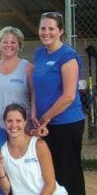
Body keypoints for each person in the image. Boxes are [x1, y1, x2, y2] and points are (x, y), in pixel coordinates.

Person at [33, 12, 85, 195]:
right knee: (49, 173)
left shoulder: (67, 56)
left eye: (51, 29)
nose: (46, 32)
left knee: (68, 174)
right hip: (44, 124)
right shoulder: (39, 53)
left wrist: (45, 117)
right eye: (43, 28)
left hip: (66, 123)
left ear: (61, 31)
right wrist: (34, 113)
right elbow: (35, 88)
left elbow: (69, 96)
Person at [0, 103, 67, 195]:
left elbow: (50, 185)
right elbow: (6, 190)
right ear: (4, 123)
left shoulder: (38, 145)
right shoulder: (2, 151)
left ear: (25, 122)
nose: (14, 125)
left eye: (18, 121)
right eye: (9, 121)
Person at [0, 26, 35, 128]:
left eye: (13, 42)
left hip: (21, 127)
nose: (9, 45)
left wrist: (33, 116)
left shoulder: (28, 68)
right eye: (5, 42)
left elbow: (34, 96)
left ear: (19, 46)